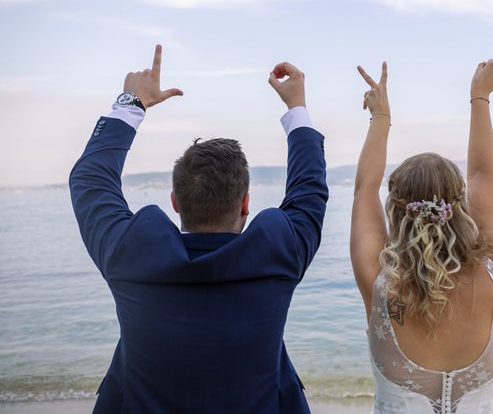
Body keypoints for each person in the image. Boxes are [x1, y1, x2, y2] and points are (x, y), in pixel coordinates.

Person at [69, 45, 328, 413]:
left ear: (174, 201)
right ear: (245, 203)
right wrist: (296, 108)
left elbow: (89, 181)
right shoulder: (280, 252)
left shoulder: (129, 254)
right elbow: (309, 189)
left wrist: (131, 103)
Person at [350, 56, 493, 413]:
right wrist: (480, 97)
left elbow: (365, 188)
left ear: (396, 210)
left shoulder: (379, 283)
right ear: (460, 206)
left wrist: (380, 117)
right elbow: (483, 175)